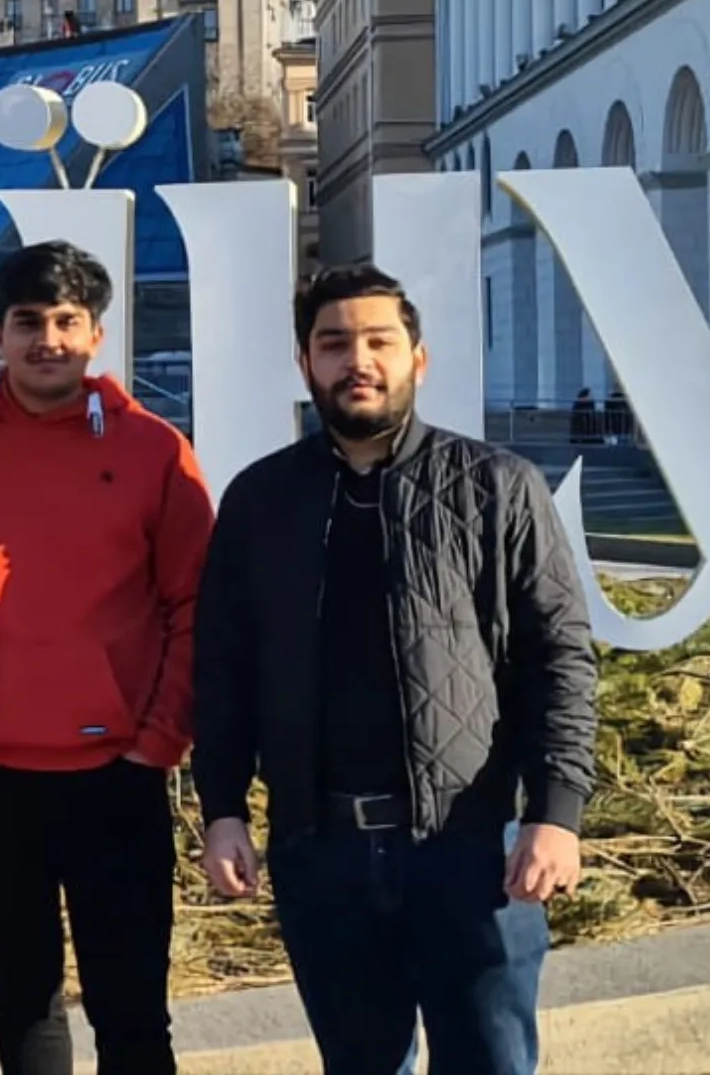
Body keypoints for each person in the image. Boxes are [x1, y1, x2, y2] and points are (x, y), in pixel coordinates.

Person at [192, 264, 598, 1075]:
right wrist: (224, 808)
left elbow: (560, 658)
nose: (358, 360)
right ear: (306, 364)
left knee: (489, 1062)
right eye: (334, 343)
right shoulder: (261, 500)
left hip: (475, 846)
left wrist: (558, 813)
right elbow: (224, 668)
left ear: (419, 356)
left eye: (379, 340)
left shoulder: (497, 487)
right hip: (323, 852)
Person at [0, 241, 213, 1075]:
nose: (48, 340)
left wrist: (158, 742)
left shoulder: (154, 449)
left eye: (67, 321)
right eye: (28, 321)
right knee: (25, 999)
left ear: (97, 335)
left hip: (116, 775)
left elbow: (195, 604)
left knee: (133, 1007)